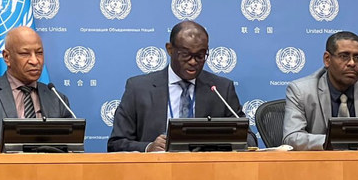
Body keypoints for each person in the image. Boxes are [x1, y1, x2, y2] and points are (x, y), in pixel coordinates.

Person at [108, 20, 255, 152]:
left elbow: (249, 140)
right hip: (154, 172)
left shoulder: (221, 89)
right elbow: (116, 144)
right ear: (170, 49)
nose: (193, 62)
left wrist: (212, 142)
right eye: (185, 54)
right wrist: (148, 147)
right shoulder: (138, 88)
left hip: (207, 172)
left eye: (200, 55)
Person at [0, 26, 72, 153]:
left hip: (48, 170)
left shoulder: (56, 98)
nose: (35, 61)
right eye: (25, 53)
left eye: (39, 53)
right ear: (7, 57)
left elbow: (71, 145)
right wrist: (6, 147)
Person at [282, 30, 358, 150]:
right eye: (344, 56)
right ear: (327, 59)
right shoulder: (301, 90)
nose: (352, 63)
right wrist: (340, 140)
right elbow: (292, 138)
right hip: (321, 164)